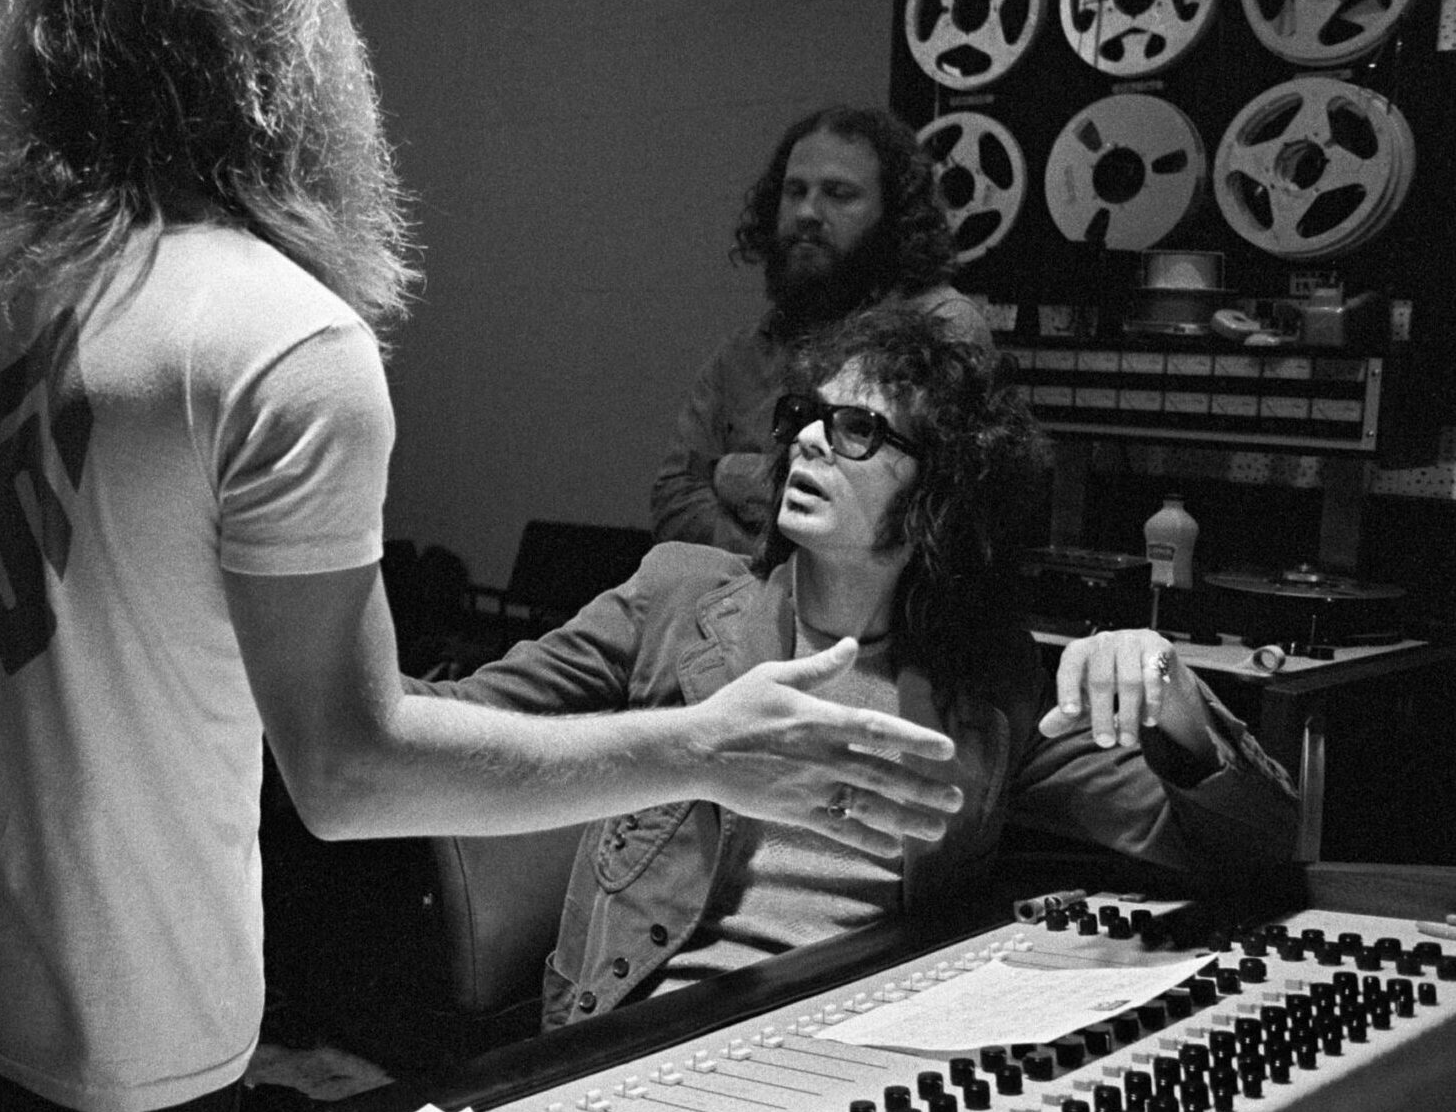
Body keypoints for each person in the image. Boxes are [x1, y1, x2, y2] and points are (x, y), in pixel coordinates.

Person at [0, 0, 970, 1112]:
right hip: (104, 1033)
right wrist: (698, 749)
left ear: (46, 32)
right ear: (287, 47)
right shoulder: (274, 333)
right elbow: (348, 768)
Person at [413, 306, 1299, 1030]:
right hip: (650, 1027)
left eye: (856, 429)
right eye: (803, 417)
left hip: (865, 1029)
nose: (805, 442)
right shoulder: (675, 597)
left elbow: (1250, 856)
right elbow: (430, 724)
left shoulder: (984, 682)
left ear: (939, 497)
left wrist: (1172, 699)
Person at [652, 105, 993, 555]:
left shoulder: (940, 325)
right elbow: (673, 498)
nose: (808, 211)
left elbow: (893, 512)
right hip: (738, 614)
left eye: (839, 193)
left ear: (894, 214)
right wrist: (768, 574)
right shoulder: (746, 352)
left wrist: (729, 473)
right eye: (795, 191)